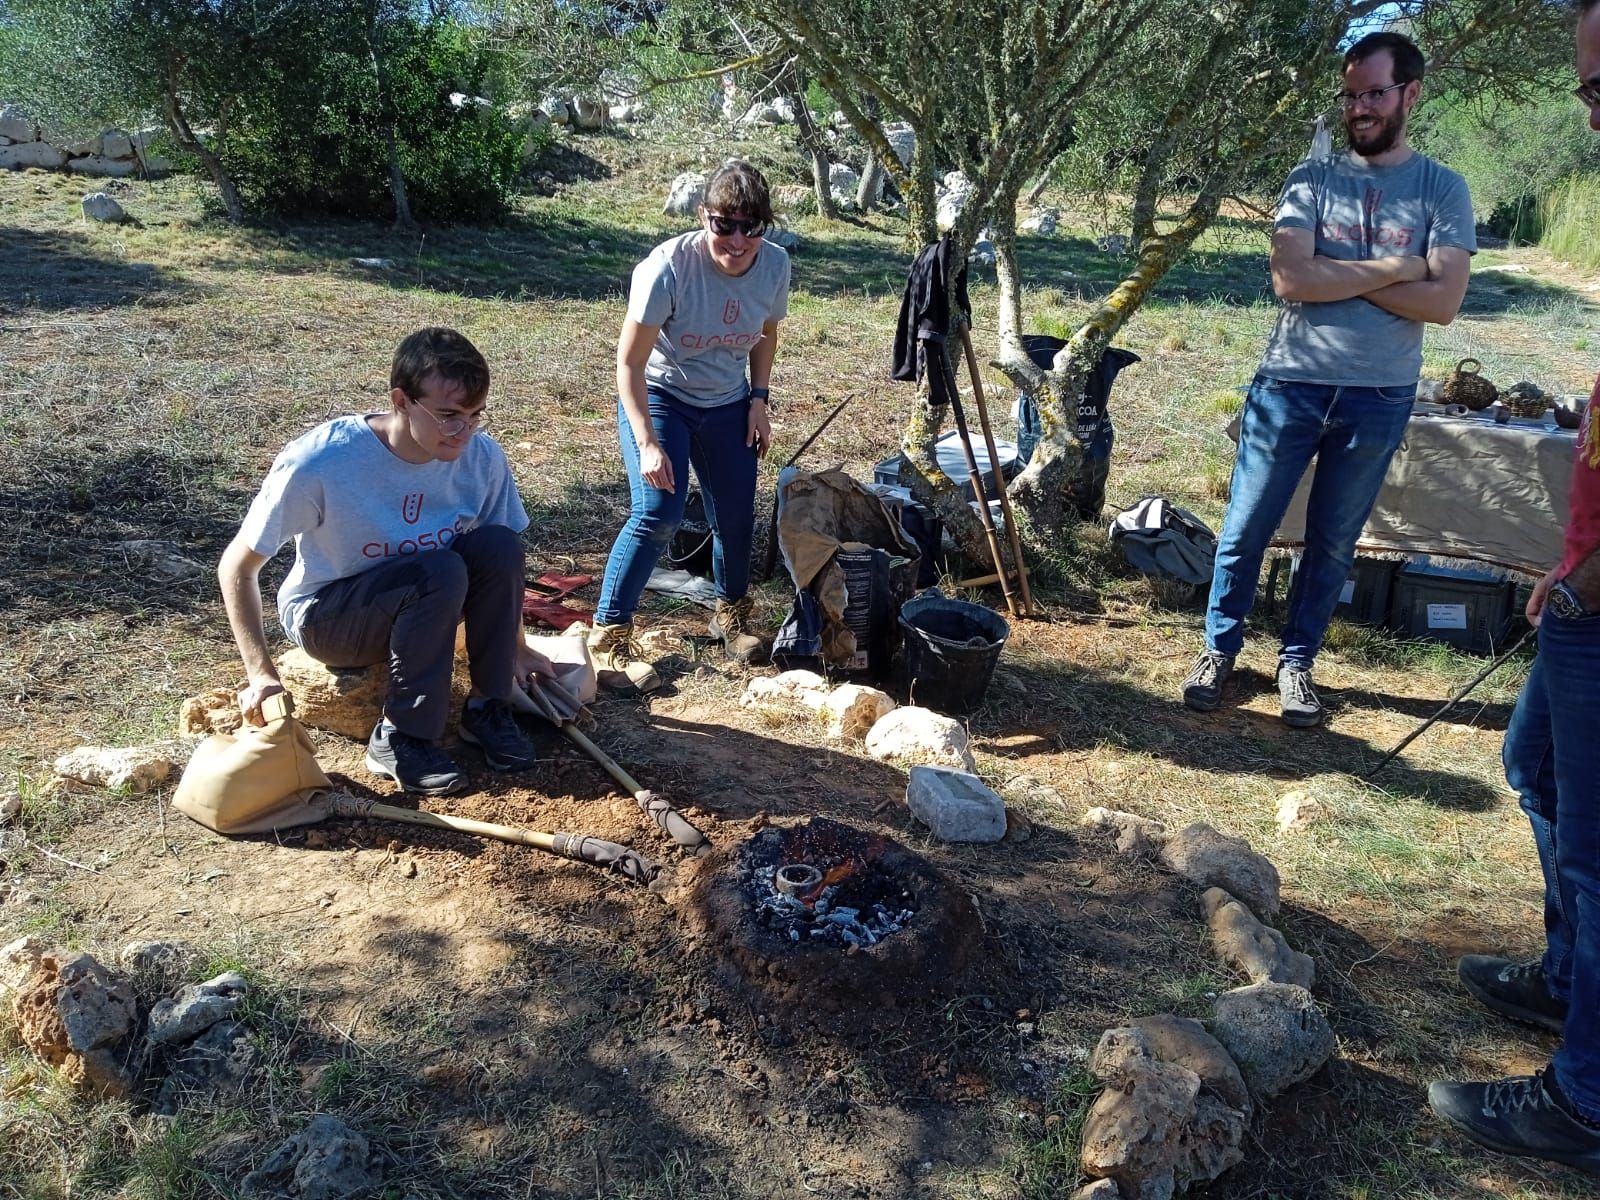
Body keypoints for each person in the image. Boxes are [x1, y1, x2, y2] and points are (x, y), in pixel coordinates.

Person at [1426, 1, 1600, 1174]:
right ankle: (1563, 978)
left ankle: (1587, 1101)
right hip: (1586, 576)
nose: (1590, 110)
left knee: (1598, 848)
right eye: (1585, 87)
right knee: (1530, 765)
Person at [1182, 31, 1475, 727]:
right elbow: (1290, 278)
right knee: (1245, 528)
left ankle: (1296, 663)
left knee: (1334, 542)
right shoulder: (1310, 179)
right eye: (1350, 96)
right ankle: (1218, 651)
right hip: (1290, 384)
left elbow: (1444, 303)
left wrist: (1337, 278)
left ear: (1411, 93)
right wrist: (1400, 267)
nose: (1359, 109)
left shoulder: (1442, 188)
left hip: (1378, 396)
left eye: (1373, 93)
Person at [218, 327, 540, 796]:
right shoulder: (323, 461)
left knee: (499, 545)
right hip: (331, 618)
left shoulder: (480, 456)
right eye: (448, 415)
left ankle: (487, 708)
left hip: (424, 601)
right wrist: (261, 676)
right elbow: (237, 567)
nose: (463, 432)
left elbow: (500, 568)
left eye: (475, 416)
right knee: (440, 569)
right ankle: (400, 736)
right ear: (402, 401)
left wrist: (518, 646)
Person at [588, 160, 790, 693]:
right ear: (704, 216)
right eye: (725, 223)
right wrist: (648, 442)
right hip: (661, 395)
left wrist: (759, 399)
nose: (738, 238)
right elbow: (628, 365)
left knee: (736, 515)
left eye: (752, 226)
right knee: (659, 511)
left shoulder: (774, 266)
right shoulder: (667, 268)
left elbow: (766, 333)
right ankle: (608, 635)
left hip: (728, 401)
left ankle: (731, 616)